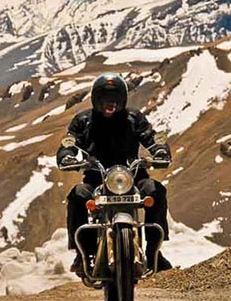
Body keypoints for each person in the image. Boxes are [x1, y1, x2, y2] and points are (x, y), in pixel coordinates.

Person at [56, 72, 173, 274]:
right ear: (95, 98)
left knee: (155, 191)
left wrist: (159, 151)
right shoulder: (83, 121)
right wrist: (67, 156)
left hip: (133, 177)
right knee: (77, 196)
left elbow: (151, 138)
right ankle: (82, 253)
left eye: (115, 98)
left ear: (123, 99)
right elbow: (70, 142)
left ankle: (154, 251)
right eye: (104, 97)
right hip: (96, 178)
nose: (110, 103)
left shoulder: (134, 118)